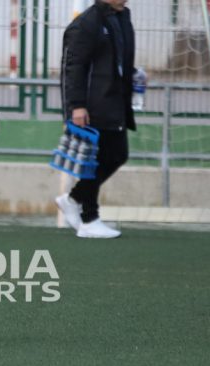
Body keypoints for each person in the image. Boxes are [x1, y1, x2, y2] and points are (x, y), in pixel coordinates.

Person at [56, 0, 135, 238]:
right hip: (93, 105)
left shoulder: (122, 17)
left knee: (117, 154)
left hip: (115, 100)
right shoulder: (87, 22)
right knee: (97, 159)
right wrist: (76, 106)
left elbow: (117, 57)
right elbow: (73, 67)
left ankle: (74, 199)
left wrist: (134, 74)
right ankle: (89, 218)